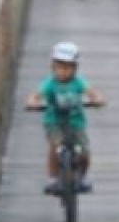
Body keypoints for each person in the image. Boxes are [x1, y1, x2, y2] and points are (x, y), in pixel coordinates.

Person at [25, 41, 105, 194]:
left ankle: (82, 176)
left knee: (84, 151)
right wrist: (32, 102)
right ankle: (54, 178)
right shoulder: (50, 83)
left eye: (68, 67)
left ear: (75, 68)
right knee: (55, 146)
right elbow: (36, 95)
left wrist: (97, 99)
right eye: (59, 67)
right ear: (53, 67)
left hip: (76, 123)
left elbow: (91, 92)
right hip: (54, 122)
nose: (63, 71)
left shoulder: (78, 82)